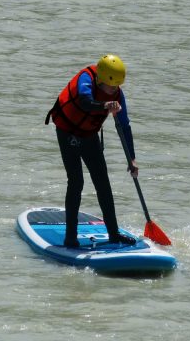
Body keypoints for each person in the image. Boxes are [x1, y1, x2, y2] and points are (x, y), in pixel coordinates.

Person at [45, 54, 138, 248]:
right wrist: (105, 105)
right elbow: (84, 101)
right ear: (100, 78)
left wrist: (132, 159)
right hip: (67, 131)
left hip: (88, 136)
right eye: (110, 86)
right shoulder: (86, 78)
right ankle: (70, 237)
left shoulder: (117, 95)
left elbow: (125, 126)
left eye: (116, 87)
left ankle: (114, 234)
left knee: (103, 183)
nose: (113, 90)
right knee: (76, 181)